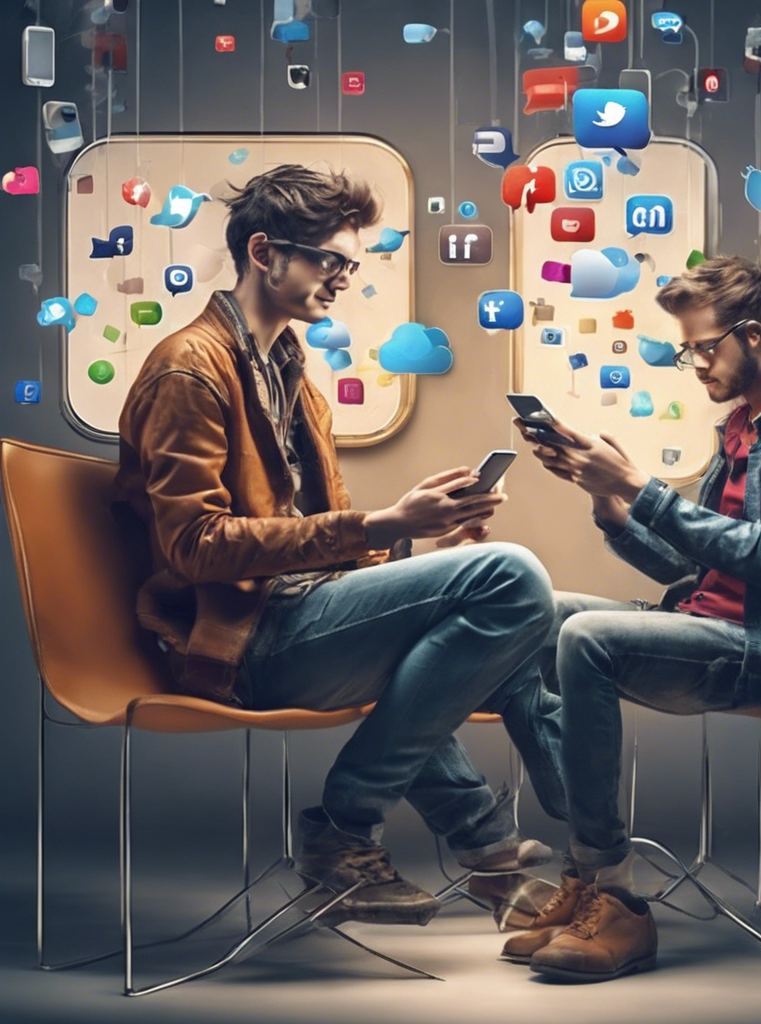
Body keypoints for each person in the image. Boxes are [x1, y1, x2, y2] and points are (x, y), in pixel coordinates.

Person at [113, 164, 565, 929]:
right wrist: (387, 526)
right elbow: (194, 546)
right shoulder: (189, 370)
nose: (344, 279)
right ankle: (347, 826)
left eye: (352, 264)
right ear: (265, 252)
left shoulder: (293, 373)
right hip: (245, 642)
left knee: (523, 607)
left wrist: (426, 534)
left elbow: (328, 557)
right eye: (330, 261)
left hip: (301, 617)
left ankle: (489, 854)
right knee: (511, 577)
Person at [505, 255, 761, 982]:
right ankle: (587, 871)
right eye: (688, 350)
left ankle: (611, 888)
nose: (695, 364)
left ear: (751, 334)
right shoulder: (740, 426)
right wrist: (612, 509)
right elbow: (696, 573)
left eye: (704, 347)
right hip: (713, 630)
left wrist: (644, 490)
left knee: (584, 636)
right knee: (533, 612)